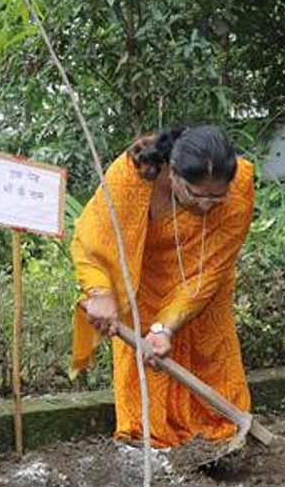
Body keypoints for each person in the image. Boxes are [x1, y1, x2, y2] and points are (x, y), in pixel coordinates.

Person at [71, 125, 254, 448]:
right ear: (173, 174)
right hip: (142, 280)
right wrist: (100, 292)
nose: (207, 206)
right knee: (144, 376)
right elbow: (93, 238)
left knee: (210, 354)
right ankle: (149, 439)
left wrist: (166, 327)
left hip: (203, 291)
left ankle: (218, 435)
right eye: (196, 195)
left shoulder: (238, 189)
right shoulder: (133, 175)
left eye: (217, 197)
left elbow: (209, 271)